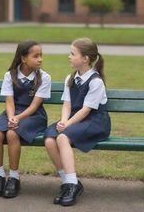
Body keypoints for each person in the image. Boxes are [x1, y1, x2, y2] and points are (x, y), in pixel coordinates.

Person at [44, 38, 111, 206]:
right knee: (49, 139)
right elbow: (67, 104)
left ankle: (72, 185)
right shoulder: (71, 77)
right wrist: (64, 120)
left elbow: (86, 110)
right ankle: (68, 181)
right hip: (75, 119)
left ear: (85, 59)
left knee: (62, 137)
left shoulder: (96, 82)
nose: (69, 56)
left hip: (95, 121)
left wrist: (67, 125)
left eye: (72, 54)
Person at [0, 41, 51, 198]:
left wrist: (17, 118)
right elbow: (9, 101)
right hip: (12, 112)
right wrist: (11, 116)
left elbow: (34, 106)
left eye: (41, 55)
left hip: (34, 115)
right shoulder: (10, 75)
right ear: (23, 58)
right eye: (36, 56)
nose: (40, 59)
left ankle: (14, 178)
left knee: (12, 134)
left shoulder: (44, 77)